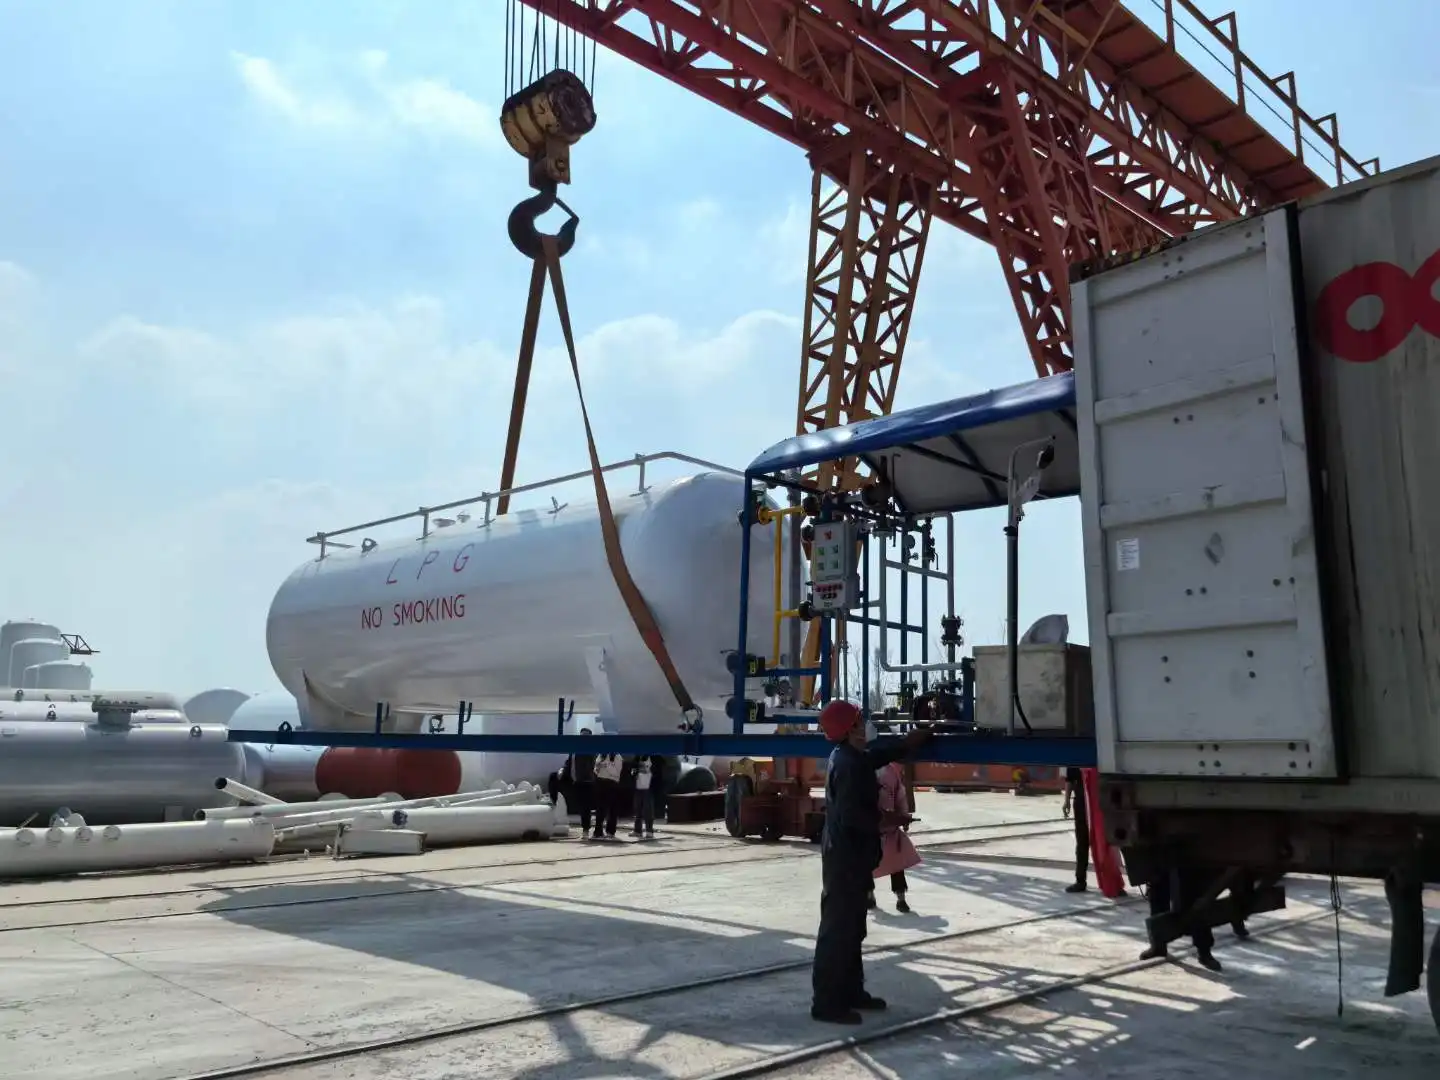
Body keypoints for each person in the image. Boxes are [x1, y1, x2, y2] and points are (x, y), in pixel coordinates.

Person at [810, 700, 930, 1026]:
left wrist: (905, 745)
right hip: (845, 858)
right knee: (837, 931)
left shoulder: (851, 756)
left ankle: (851, 992)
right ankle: (827, 1003)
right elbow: (853, 816)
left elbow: (874, 755)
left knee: (853, 929)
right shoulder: (847, 764)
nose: (865, 728)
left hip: (854, 857)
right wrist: (890, 818)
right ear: (849, 729)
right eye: (860, 723)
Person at [868, 760, 920, 913]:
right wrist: (902, 816)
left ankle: (871, 896)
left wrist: (902, 817)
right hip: (878, 827)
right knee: (894, 865)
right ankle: (899, 899)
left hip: (872, 828)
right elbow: (900, 795)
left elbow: (899, 794)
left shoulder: (864, 765)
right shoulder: (891, 771)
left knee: (868, 865)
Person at [566, 728, 597, 838]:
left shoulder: (590, 750)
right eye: (582, 735)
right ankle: (587, 828)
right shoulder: (575, 748)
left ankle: (586, 830)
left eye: (586, 736)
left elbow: (592, 765)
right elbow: (569, 762)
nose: (583, 738)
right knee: (582, 806)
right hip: (577, 781)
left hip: (586, 781)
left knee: (586, 807)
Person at [1063, 766, 1089, 893]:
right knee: (1082, 843)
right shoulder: (1076, 755)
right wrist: (1067, 799)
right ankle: (1080, 880)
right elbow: (1069, 779)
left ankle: (1111, 881)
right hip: (1081, 802)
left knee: (1104, 843)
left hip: (1098, 800)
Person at [593, 751, 623, 839]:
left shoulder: (618, 756)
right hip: (601, 782)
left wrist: (605, 765)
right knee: (600, 808)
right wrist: (599, 767)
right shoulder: (601, 755)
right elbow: (595, 769)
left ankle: (611, 831)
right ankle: (598, 831)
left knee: (612, 809)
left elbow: (616, 771)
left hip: (612, 783)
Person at [630, 755, 659, 838]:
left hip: (648, 788)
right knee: (637, 809)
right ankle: (637, 830)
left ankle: (649, 831)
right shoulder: (637, 757)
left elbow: (658, 772)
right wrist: (633, 774)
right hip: (638, 786)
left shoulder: (654, 758)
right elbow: (632, 769)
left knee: (648, 810)